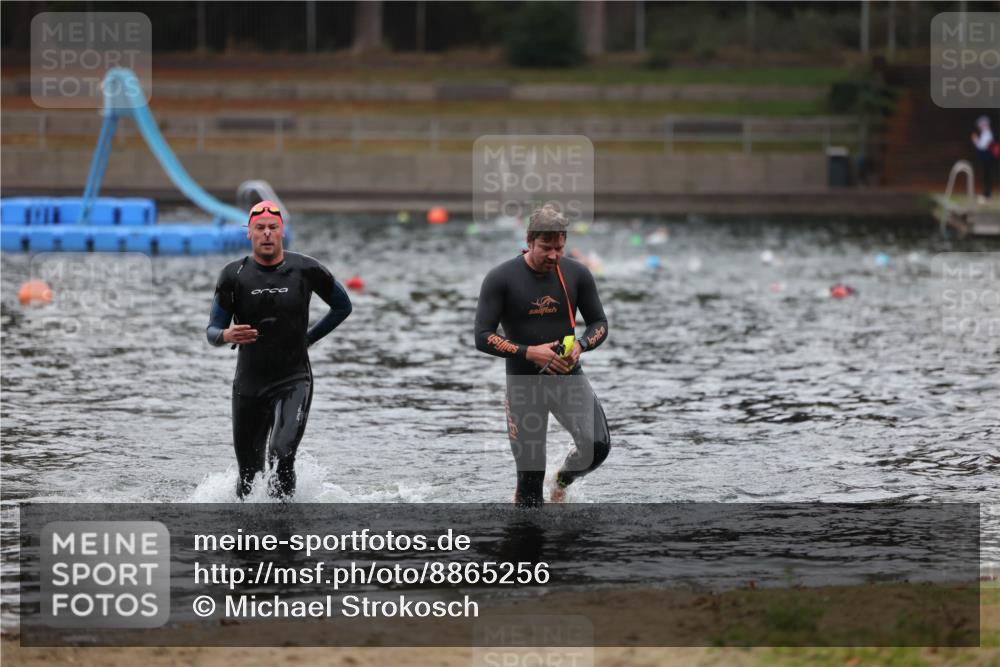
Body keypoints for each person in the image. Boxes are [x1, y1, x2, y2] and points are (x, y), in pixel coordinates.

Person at [206, 200, 352, 499]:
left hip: (293, 379)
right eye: (260, 228)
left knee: (281, 452)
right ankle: (246, 535)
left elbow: (342, 306)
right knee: (248, 472)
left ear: (282, 231)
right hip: (249, 385)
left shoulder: (306, 269)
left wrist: (308, 339)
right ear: (249, 233)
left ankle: (283, 526)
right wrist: (226, 334)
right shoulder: (233, 276)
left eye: (273, 227)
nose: (267, 233)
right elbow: (211, 331)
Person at [474, 205, 611, 506]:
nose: (553, 255)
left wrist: (581, 345)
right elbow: (482, 336)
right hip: (524, 386)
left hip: (567, 378)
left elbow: (600, 323)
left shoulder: (577, 274)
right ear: (530, 240)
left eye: (559, 248)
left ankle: (561, 481)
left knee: (597, 447)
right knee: (529, 493)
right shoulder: (501, 278)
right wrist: (529, 352)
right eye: (546, 248)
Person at [971, 115, 995, 202]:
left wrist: (975, 140)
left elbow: (982, 146)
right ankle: (986, 193)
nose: (980, 127)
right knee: (986, 176)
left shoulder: (987, 133)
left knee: (987, 176)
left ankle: (988, 194)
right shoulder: (985, 133)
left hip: (987, 158)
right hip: (986, 158)